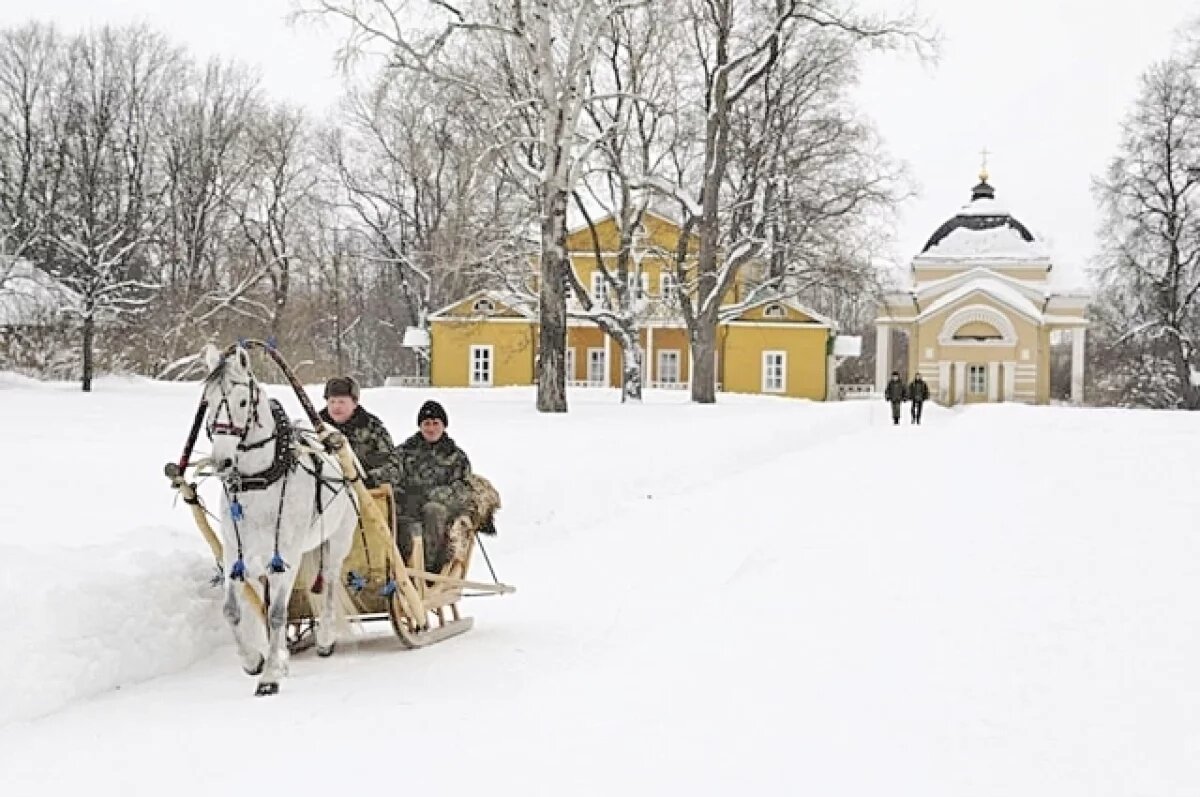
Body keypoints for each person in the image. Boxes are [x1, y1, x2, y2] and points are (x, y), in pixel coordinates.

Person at [393, 399, 473, 573]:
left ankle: (429, 568)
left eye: (435, 423)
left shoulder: (456, 456)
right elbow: (392, 477)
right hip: (408, 507)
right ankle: (396, 566)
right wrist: (403, 496)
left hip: (441, 511)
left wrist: (430, 496)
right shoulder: (404, 452)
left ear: (443, 425)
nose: (431, 428)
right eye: (426, 423)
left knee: (432, 511)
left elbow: (463, 489)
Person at [318, 376, 402, 490]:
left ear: (355, 403)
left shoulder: (373, 429)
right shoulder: (316, 429)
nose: (336, 406)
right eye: (332, 401)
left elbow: (395, 468)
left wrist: (367, 479)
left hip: (366, 495)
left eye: (342, 402)